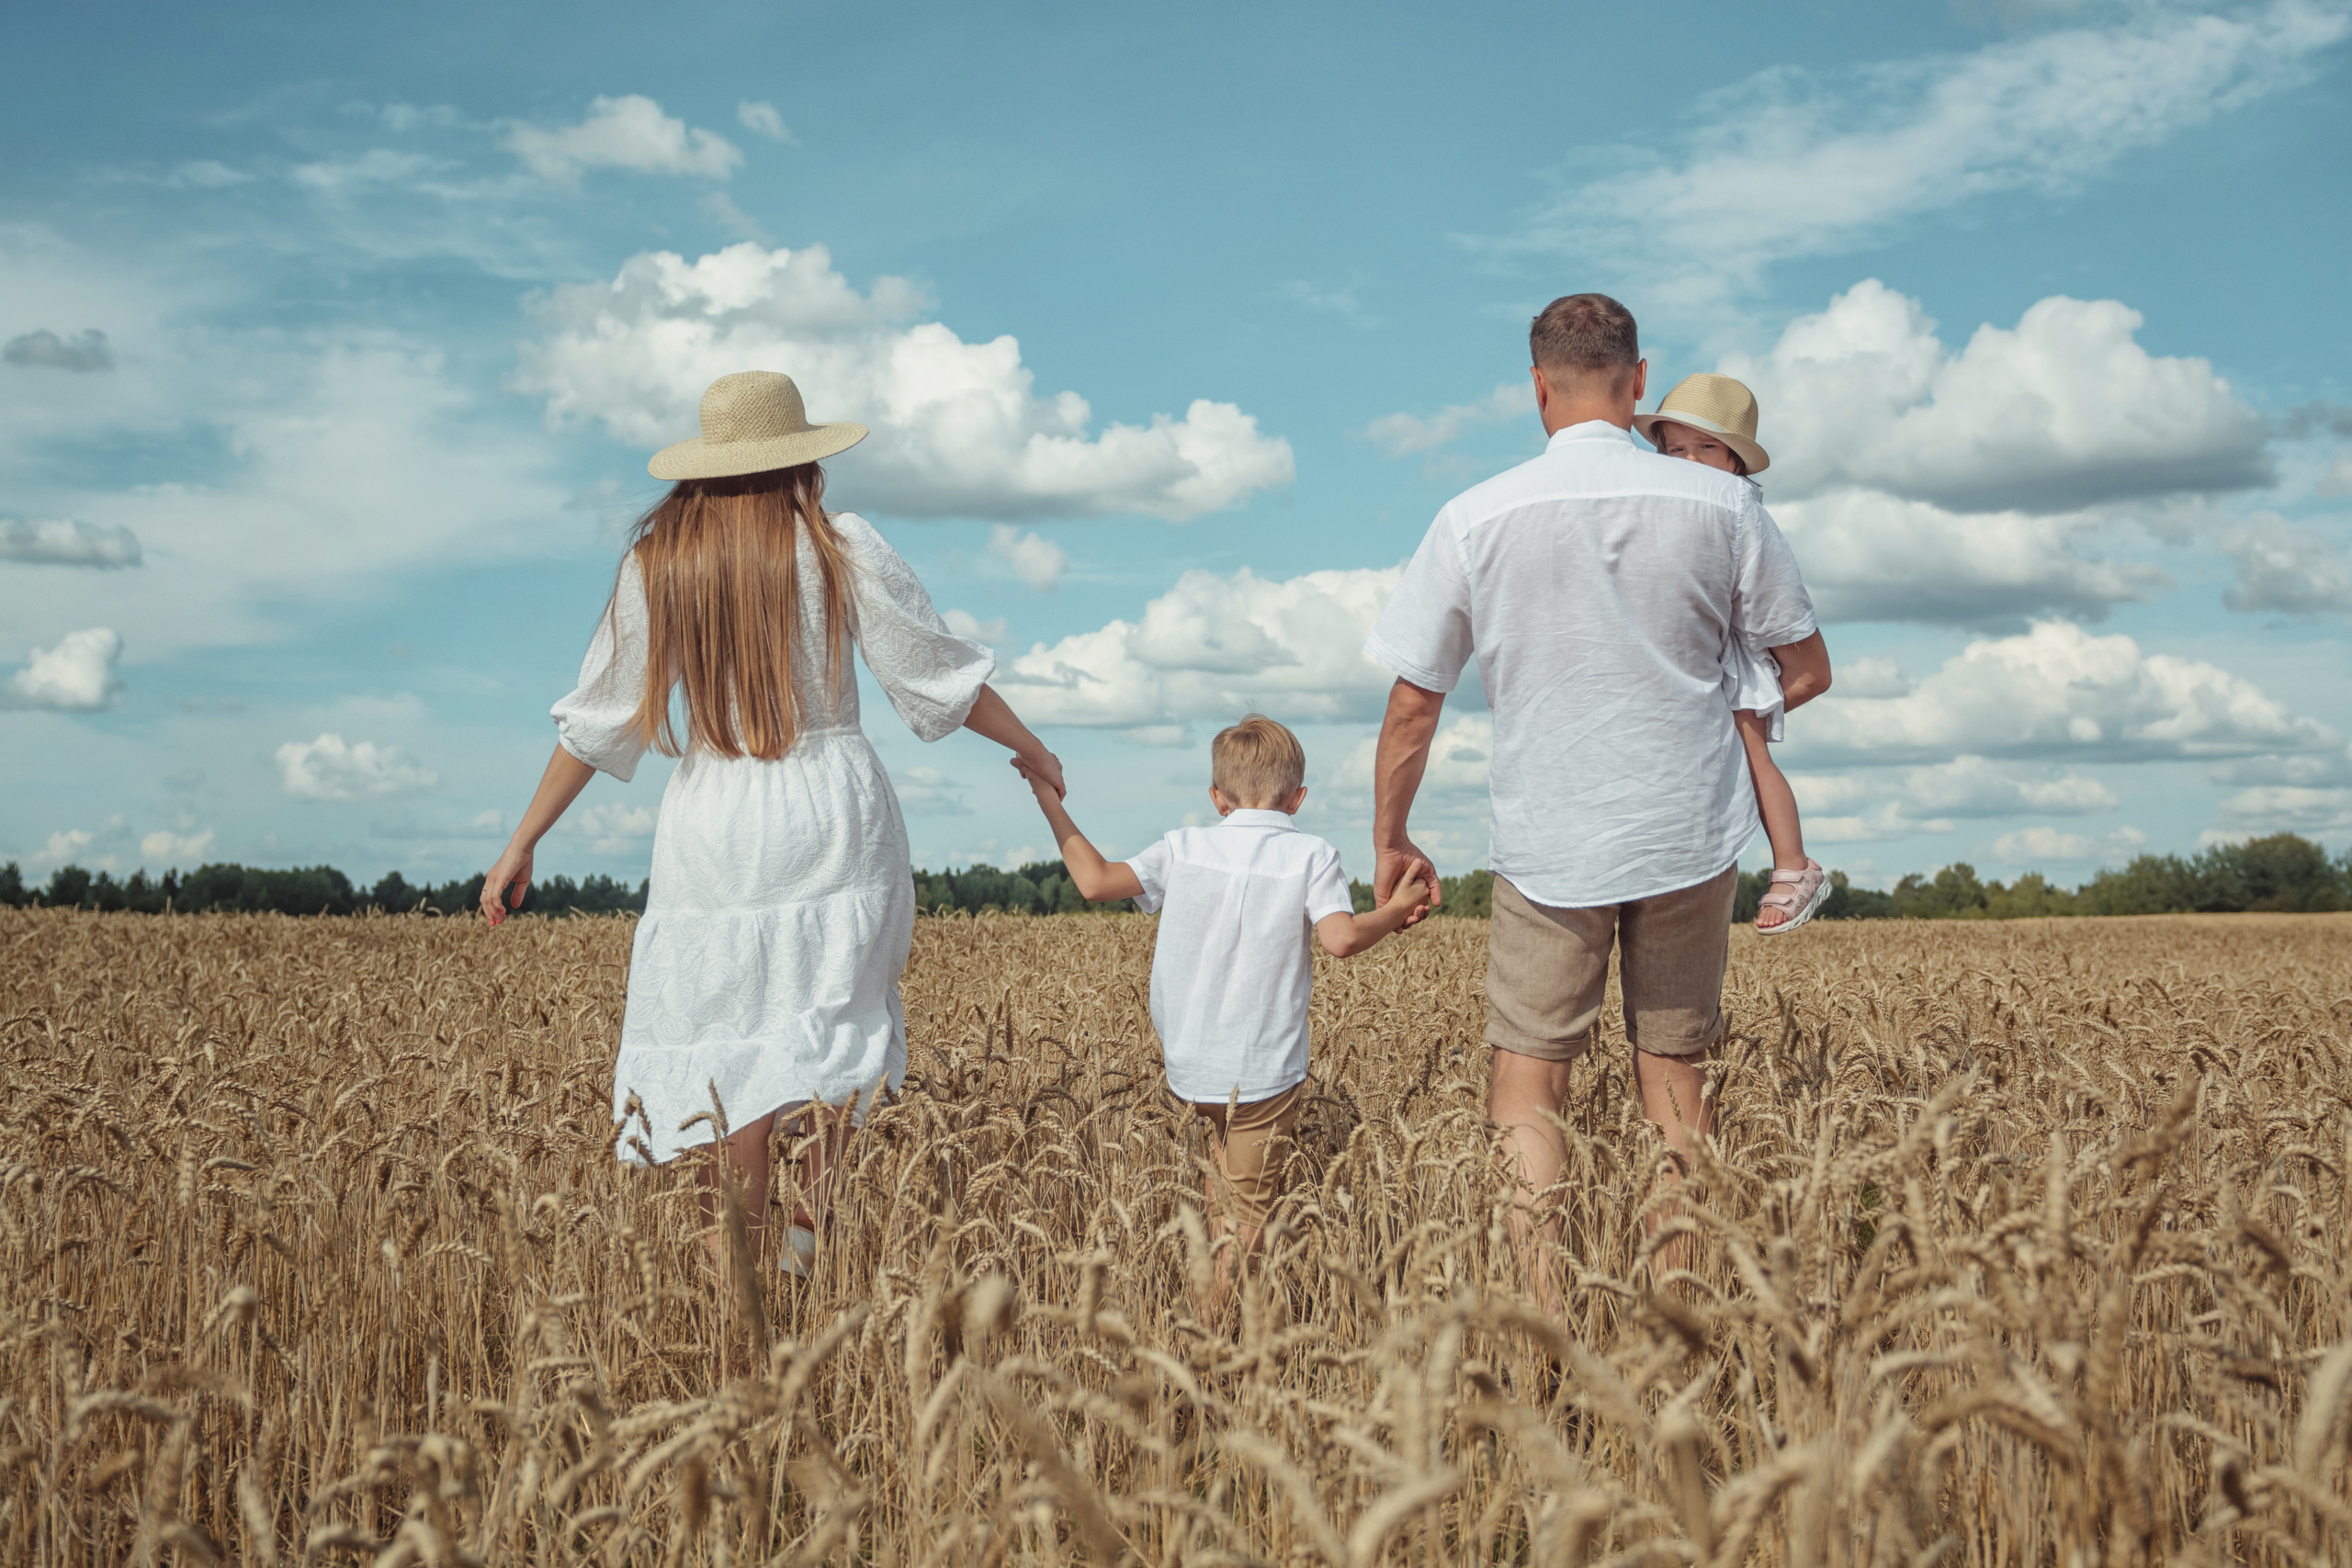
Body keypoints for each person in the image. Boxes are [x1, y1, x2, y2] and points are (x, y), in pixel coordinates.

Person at [478, 370, 1064, 1278]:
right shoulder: (839, 546)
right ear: (803, 460)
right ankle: (805, 1227)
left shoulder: (659, 565)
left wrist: (523, 841)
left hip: (712, 816)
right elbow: (935, 676)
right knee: (845, 1016)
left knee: (728, 1037)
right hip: (830, 804)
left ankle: (741, 1264)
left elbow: (599, 720)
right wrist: (1030, 746)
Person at [1362, 295, 1829, 1299]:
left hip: (1547, 844)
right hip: (1687, 837)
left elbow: (1412, 706)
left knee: (1528, 1081)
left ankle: (1544, 1319)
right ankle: (1677, 1315)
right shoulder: (1726, 507)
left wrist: (1390, 837)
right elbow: (1803, 663)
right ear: (1634, 381)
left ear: (1538, 388)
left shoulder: (1473, 516)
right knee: (1675, 1080)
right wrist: (1725, 708)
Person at [1015, 714, 1427, 1318]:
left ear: (1216, 797)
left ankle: (1203, 1316)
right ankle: (1203, 1345)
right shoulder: (1311, 853)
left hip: (1192, 1065)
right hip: (1261, 1073)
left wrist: (1047, 799)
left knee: (1220, 1197)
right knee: (1248, 1224)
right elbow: (1340, 939)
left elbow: (1094, 880)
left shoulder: (1184, 845)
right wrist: (1396, 911)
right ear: (1298, 798)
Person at [1634, 372, 1828, 933]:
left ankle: (1793, 865)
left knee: (1749, 745)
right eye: (1676, 450)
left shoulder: (1736, 503)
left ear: (1736, 461)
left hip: (1738, 656)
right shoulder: (1672, 502)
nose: (1689, 461)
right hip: (1706, 652)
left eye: (1706, 448)